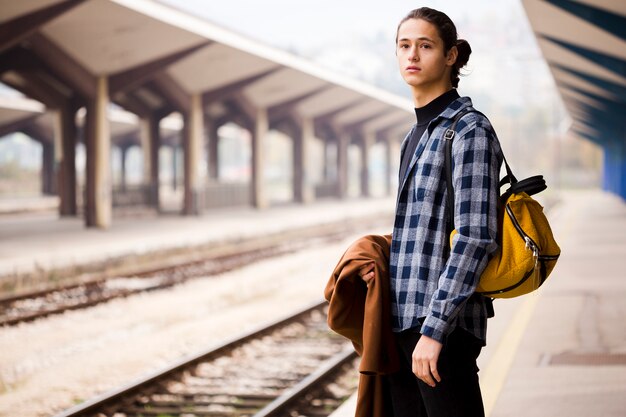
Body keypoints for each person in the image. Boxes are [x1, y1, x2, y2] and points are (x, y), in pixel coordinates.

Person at [359, 7, 503, 417]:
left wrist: (435, 330)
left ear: (451, 56)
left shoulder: (468, 129)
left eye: (425, 46)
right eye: (405, 46)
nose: (413, 56)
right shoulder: (414, 134)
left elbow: (476, 236)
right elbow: (423, 228)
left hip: (444, 328)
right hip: (404, 322)